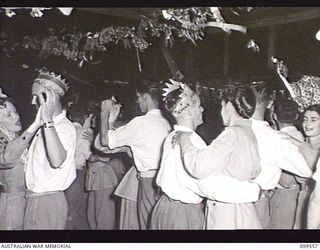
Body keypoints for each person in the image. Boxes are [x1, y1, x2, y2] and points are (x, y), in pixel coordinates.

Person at [151, 80, 261, 230]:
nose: (202, 109)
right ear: (188, 110)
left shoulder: (172, 136)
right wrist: (253, 192)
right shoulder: (191, 142)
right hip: (182, 215)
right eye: (198, 106)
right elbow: (210, 186)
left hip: (163, 209)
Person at [97, 83, 171, 229]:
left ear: (146, 97)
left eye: (138, 97)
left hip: (148, 182)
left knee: (146, 225)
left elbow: (104, 141)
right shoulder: (166, 122)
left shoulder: (142, 123)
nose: (137, 101)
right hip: (164, 181)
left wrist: (105, 114)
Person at [249, 81, 313, 230]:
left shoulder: (234, 129)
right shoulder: (277, 138)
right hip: (263, 199)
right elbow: (308, 171)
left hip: (234, 205)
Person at [23, 70, 76, 229]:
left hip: (47, 203)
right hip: (36, 200)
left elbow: (57, 160)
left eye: (37, 97)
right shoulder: (45, 126)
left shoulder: (62, 127)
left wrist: (47, 121)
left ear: (51, 97)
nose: (33, 102)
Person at [268, 97, 303, 229]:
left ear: (274, 116)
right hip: (298, 194)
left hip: (284, 195)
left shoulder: (276, 139)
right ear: (297, 115)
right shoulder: (303, 137)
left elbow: (286, 180)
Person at [0, 88, 26, 230]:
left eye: (15, 112)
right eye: (9, 115)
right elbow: (7, 160)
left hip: (26, 196)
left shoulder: (14, 136)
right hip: (12, 200)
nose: (16, 117)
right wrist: (29, 132)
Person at [64, 104, 93, 230]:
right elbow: (88, 155)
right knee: (75, 207)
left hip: (63, 173)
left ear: (70, 116)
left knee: (66, 206)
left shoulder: (65, 131)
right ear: (84, 117)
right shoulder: (85, 133)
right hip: (77, 172)